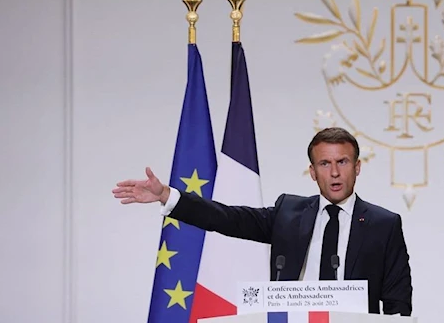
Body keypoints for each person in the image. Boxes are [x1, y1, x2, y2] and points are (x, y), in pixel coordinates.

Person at [113, 127, 412, 315]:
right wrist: (168, 195)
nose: (334, 173)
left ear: (357, 167)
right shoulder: (288, 212)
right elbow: (228, 218)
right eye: (325, 163)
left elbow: (398, 302)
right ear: (312, 171)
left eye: (342, 162)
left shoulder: (384, 225)